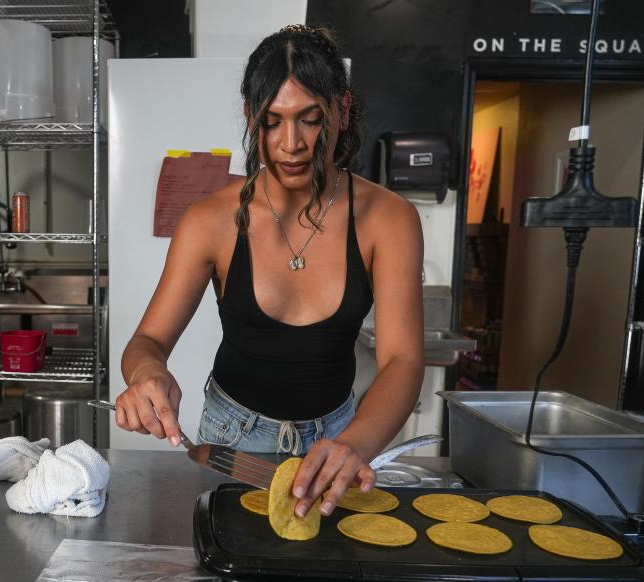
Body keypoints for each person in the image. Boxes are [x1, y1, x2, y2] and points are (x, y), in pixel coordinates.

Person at [114, 24, 424, 520]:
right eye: (272, 121)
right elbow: (146, 340)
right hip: (229, 441)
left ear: (342, 111)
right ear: (250, 118)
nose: (291, 143)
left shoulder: (387, 219)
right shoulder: (209, 220)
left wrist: (355, 443)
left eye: (310, 119)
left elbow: (403, 360)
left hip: (338, 440)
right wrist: (148, 373)